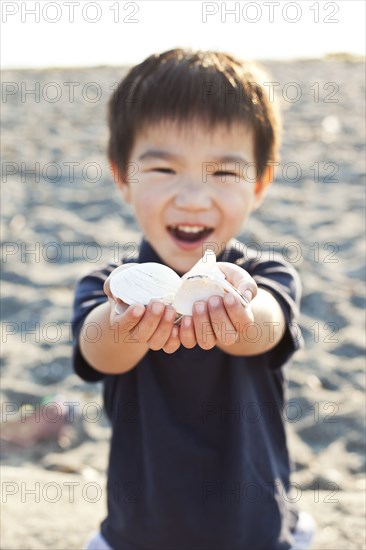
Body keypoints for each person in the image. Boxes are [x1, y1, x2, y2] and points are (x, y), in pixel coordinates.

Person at [72, 48, 315, 550]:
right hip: (139, 532)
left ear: (260, 182)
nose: (192, 198)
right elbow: (97, 350)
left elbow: (264, 329)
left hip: (254, 530)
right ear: (122, 176)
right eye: (162, 170)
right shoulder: (109, 284)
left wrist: (237, 311)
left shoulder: (265, 275)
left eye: (224, 174)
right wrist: (124, 321)